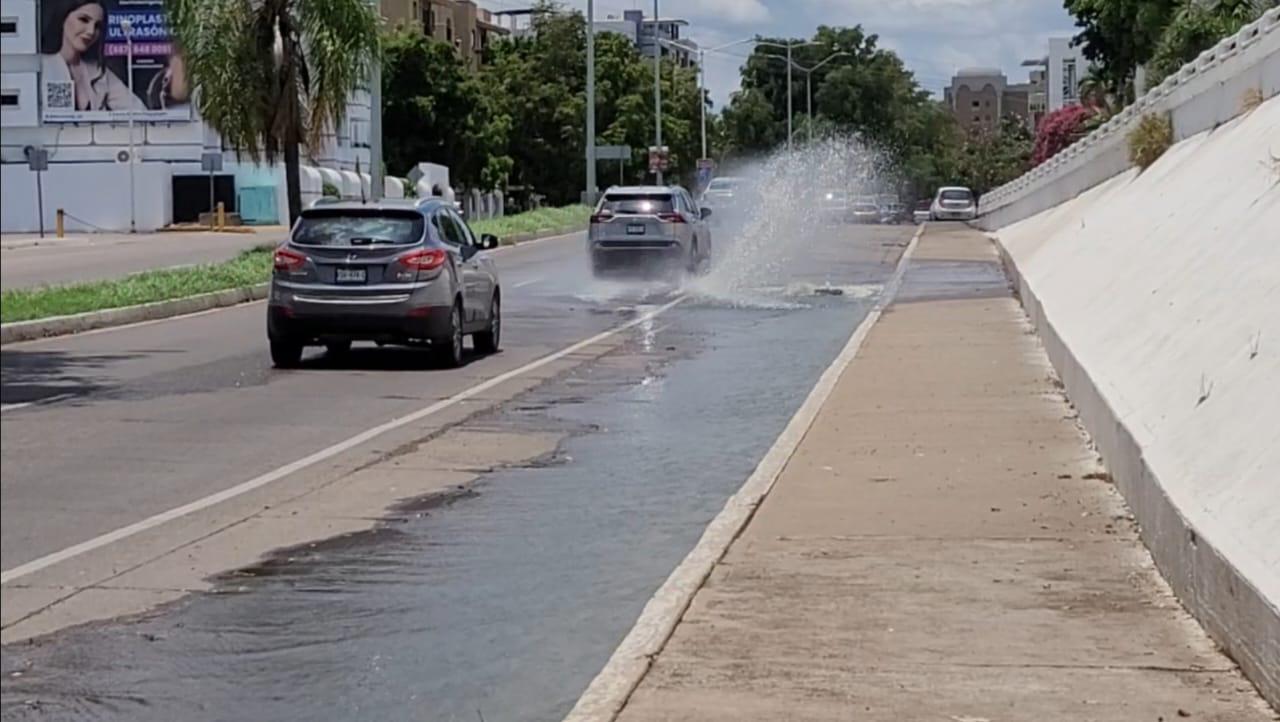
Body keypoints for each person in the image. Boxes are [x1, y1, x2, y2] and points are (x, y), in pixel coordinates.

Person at [40, 0, 144, 112]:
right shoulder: (40, 67)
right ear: (63, 17)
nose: (91, 31)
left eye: (97, 26)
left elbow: (139, 111)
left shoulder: (98, 71)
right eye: (83, 20)